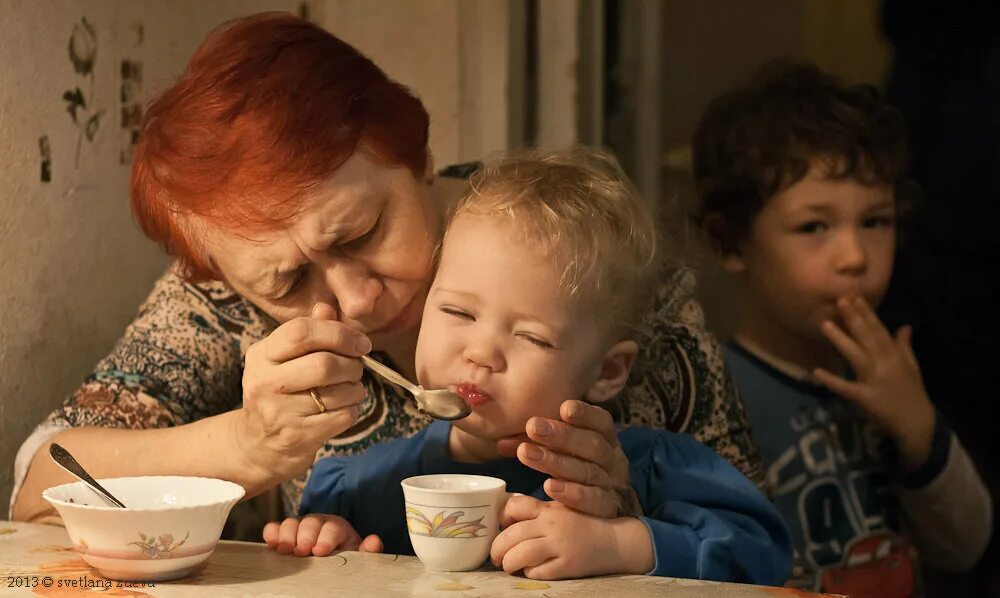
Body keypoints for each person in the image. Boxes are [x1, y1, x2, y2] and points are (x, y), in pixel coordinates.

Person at [10, 13, 761, 537]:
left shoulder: (583, 257)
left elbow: (762, 544)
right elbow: (39, 485)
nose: (354, 301)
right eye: (285, 286)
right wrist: (245, 447)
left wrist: (625, 516)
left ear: (417, 156)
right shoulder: (224, 291)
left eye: (364, 232)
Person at [265, 149, 793, 584]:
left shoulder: (654, 470)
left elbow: (764, 557)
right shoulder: (356, 486)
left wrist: (621, 543)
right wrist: (336, 548)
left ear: (608, 372)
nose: (481, 353)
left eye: (530, 337)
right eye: (457, 311)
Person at [691, 61, 992, 596]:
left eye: (875, 221)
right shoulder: (712, 396)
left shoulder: (895, 375)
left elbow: (965, 544)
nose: (855, 257)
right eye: (814, 227)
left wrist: (919, 429)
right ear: (730, 242)